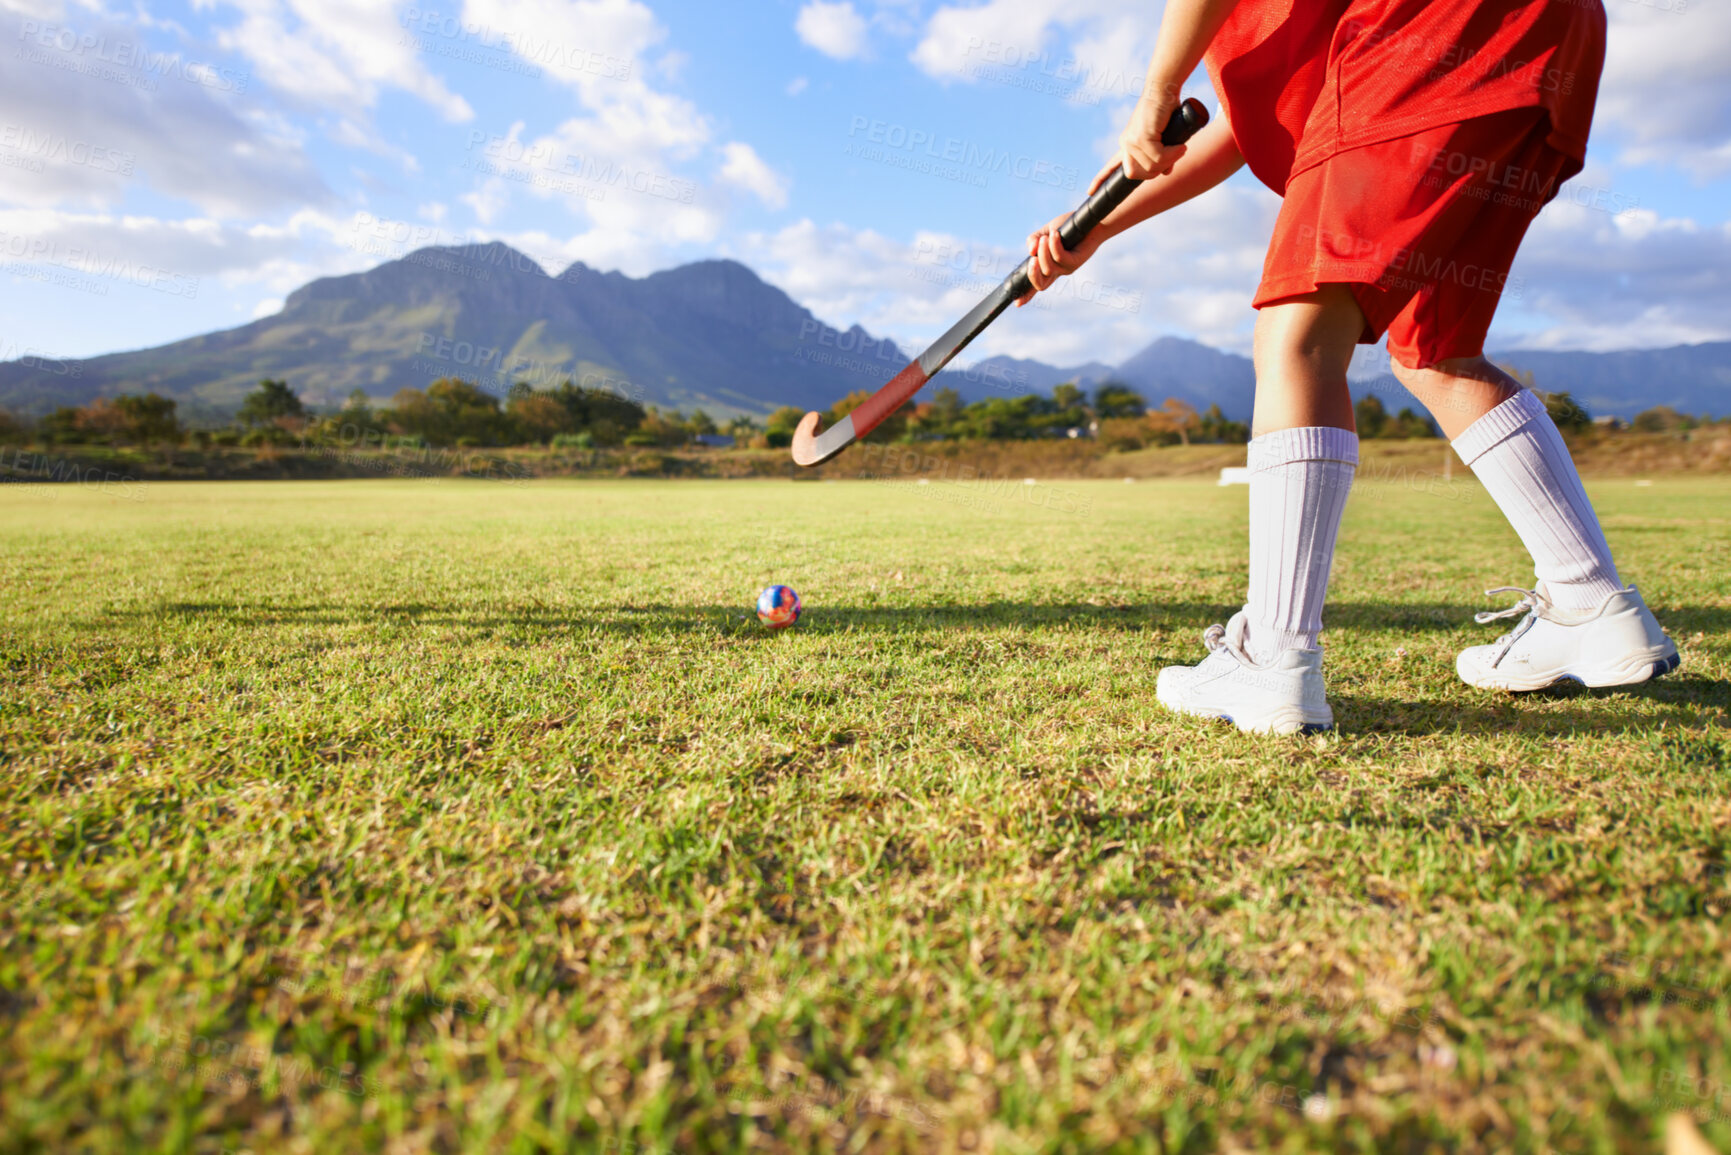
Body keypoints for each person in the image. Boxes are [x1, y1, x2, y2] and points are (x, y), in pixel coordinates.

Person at [1018, 0, 1679, 734]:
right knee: (1434, 350)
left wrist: (1155, 92)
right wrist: (1098, 226)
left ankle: (1272, 655)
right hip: (1541, 36)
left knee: (1296, 337)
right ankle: (1591, 604)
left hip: (1432, 28)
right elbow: (1240, 125)